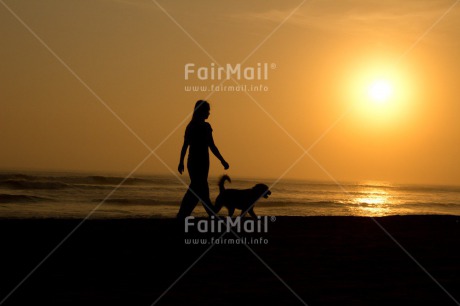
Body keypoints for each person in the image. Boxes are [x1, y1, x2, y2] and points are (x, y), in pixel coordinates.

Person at [177, 100, 229, 219]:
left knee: (199, 189)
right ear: (201, 111)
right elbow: (187, 145)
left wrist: (222, 160)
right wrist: (180, 162)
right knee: (199, 188)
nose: (209, 113)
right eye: (207, 110)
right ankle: (207, 214)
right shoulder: (198, 126)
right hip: (197, 162)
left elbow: (209, 145)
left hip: (200, 162)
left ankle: (183, 214)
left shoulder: (198, 126)